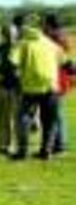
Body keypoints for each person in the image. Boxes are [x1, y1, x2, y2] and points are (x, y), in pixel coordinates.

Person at [11, 15, 65, 160]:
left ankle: (22, 151)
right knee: (49, 120)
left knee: (23, 118)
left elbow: (12, 63)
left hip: (30, 87)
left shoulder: (22, 43)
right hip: (51, 86)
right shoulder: (51, 44)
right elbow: (66, 63)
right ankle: (46, 151)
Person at [0, 24, 20, 155]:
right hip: (1, 87)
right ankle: (3, 146)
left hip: (15, 88)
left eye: (11, 33)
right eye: (7, 33)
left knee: (16, 119)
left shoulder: (20, 48)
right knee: (1, 119)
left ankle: (17, 146)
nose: (9, 35)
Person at [42, 14, 70, 154]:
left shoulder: (53, 38)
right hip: (61, 77)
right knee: (58, 113)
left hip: (57, 77)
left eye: (44, 24)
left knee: (56, 114)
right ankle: (59, 143)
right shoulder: (62, 35)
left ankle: (60, 144)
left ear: (49, 24)